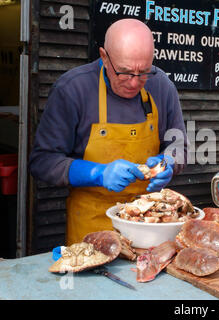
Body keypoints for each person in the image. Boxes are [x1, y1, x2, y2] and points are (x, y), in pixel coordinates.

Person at [29, 19, 187, 245]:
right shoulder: (72, 89)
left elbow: (178, 147)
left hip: (150, 223)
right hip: (92, 224)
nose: (134, 83)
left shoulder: (162, 85)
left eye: (143, 72)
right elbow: (42, 161)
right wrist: (97, 173)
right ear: (104, 57)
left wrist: (168, 163)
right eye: (124, 72)